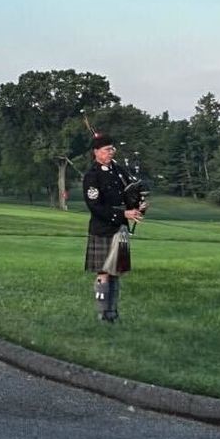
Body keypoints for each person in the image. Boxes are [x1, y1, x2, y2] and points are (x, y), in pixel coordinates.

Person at [82, 132, 146, 322]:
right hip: (102, 229)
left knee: (116, 273)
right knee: (103, 273)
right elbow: (95, 207)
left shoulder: (119, 171)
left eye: (112, 149)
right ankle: (102, 313)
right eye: (106, 149)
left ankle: (113, 313)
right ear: (96, 152)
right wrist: (123, 214)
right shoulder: (92, 176)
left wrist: (139, 206)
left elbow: (130, 193)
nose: (110, 152)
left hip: (121, 228)